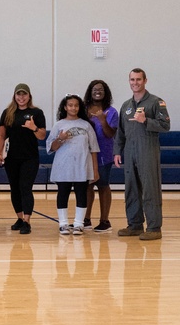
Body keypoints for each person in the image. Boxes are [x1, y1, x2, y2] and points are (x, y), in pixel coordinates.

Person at [114, 68, 171, 240]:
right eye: (132, 80)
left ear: (145, 80)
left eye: (138, 79)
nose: (135, 83)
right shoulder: (126, 105)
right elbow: (120, 132)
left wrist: (146, 120)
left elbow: (165, 126)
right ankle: (135, 225)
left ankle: (154, 227)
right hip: (129, 152)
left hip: (147, 151)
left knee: (150, 189)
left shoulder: (156, 102)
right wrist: (117, 151)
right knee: (131, 189)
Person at [0, 83, 46, 235]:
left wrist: (33, 127)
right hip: (12, 158)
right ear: (14, 96)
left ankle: (27, 221)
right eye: (19, 94)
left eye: (24, 94)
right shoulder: (8, 113)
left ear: (29, 96)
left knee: (25, 187)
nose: (21, 97)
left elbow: (42, 135)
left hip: (29, 157)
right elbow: (2, 135)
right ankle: (19, 217)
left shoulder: (36, 113)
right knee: (15, 188)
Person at [47, 94, 99, 236]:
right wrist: (60, 138)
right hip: (63, 166)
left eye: (76, 105)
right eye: (70, 105)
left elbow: (94, 148)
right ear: (65, 107)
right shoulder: (59, 125)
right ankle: (63, 223)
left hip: (82, 166)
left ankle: (78, 224)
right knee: (62, 194)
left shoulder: (86, 125)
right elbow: (51, 148)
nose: (73, 108)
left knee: (81, 194)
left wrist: (95, 170)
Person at [83, 79, 118, 232]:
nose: (98, 91)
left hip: (103, 154)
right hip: (85, 154)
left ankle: (105, 221)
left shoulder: (111, 111)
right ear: (90, 92)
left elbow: (110, 134)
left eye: (101, 89)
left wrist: (103, 121)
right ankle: (86, 219)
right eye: (95, 89)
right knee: (86, 186)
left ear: (106, 93)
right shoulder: (83, 110)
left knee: (103, 185)